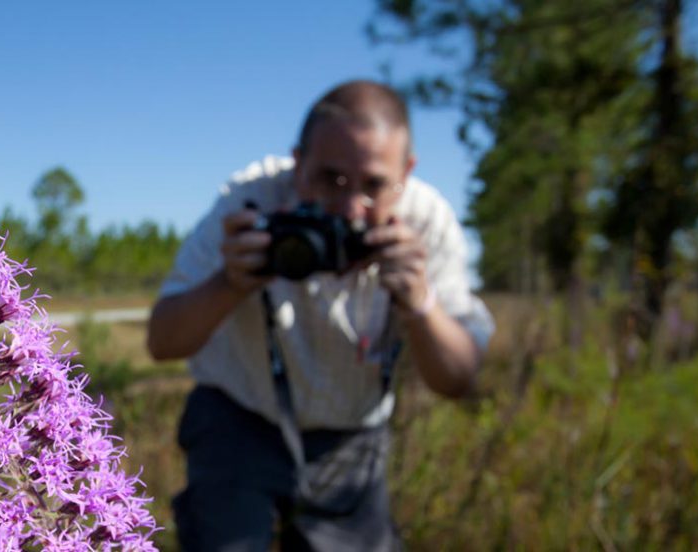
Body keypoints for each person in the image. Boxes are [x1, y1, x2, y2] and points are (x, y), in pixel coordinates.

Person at [146, 80, 494, 551]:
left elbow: (457, 379)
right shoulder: (250, 199)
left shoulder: (427, 222)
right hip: (239, 418)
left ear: (406, 172)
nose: (350, 208)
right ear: (298, 162)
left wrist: (419, 302)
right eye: (329, 180)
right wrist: (229, 283)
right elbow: (163, 342)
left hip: (352, 435)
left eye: (374, 185)